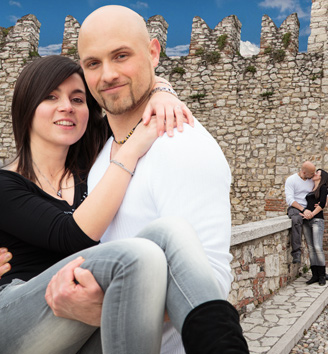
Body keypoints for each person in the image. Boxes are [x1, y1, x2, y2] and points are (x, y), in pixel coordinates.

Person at [0, 55, 246, 353]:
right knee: (139, 255)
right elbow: (71, 235)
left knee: (172, 231)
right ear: (26, 107)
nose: (67, 106)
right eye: (51, 96)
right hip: (16, 318)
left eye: (78, 99)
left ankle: (224, 347)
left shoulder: (91, 162)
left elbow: (127, 105)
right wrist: (131, 150)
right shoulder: (6, 184)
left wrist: (163, 91)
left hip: (79, 312)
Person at [285, 161, 316, 264]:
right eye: (312, 173)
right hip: (296, 207)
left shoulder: (312, 180)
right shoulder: (291, 180)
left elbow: (323, 190)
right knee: (296, 220)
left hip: (309, 208)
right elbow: (290, 199)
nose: (314, 175)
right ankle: (296, 253)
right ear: (303, 172)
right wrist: (303, 210)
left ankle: (320, 269)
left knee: (317, 224)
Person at [303, 169, 328, 285]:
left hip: (317, 219)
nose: (315, 173)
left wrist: (312, 214)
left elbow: (323, 204)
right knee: (311, 248)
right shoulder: (309, 188)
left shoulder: (323, 188)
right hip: (306, 221)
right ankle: (315, 275)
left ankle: (322, 275)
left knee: (318, 247)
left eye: (317, 172)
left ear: (322, 177)